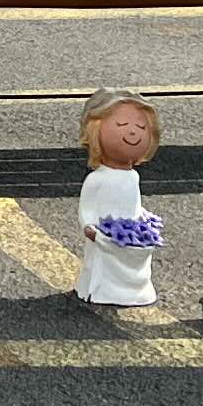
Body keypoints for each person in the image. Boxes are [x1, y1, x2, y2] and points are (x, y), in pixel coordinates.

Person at [75, 90, 166, 307]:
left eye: (141, 127)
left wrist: (142, 218)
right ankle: (101, 291)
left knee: (136, 257)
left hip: (130, 228)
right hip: (105, 231)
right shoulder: (97, 179)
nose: (133, 132)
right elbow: (87, 207)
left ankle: (136, 290)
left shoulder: (133, 176)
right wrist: (89, 226)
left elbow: (134, 203)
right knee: (105, 261)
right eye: (122, 125)